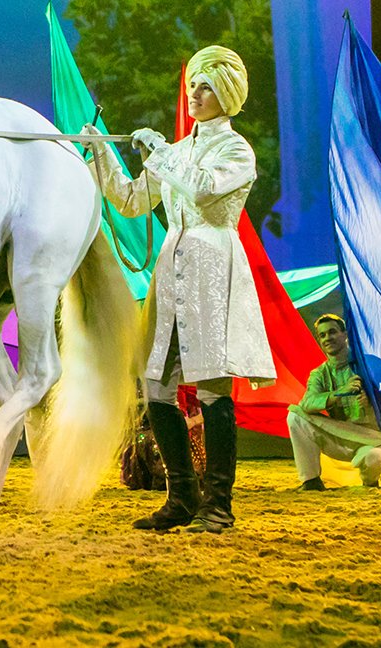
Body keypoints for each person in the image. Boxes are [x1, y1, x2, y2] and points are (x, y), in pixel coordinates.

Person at [87, 44, 274, 533]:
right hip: (170, 273)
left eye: (205, 85)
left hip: (213, 269)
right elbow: (130, 201)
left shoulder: (237, 150)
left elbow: (204, 190)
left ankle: (219, 505)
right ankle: (181, 498)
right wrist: (103, 150)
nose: (194, 92)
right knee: (156, 386)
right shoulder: (177, 151)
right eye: (192, 83)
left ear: (227, 94)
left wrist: (162, 152)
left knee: (213, 388)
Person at [289, 314, 381, 490]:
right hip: (341, 436)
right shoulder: (319, 373)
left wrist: (375, 398)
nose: (327, 338)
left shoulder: (368, 363)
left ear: (345, 334)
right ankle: (311, 481)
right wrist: (339, 393)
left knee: (373, 459)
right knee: (295, 416)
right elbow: (307, 403)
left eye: (332, 332)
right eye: (322, 335)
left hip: (373, 439)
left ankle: (369, 482)